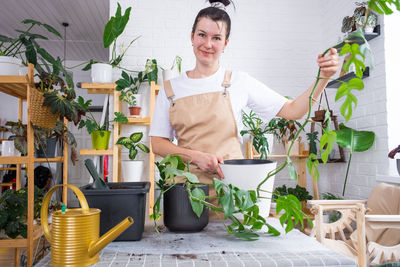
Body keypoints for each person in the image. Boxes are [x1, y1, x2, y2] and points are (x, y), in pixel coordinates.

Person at [149, 0, 339, 195]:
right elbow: (157, 143)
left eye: (216, 38)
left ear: (225, 43)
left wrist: (322, 78)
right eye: (202, 35)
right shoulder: (171, 88)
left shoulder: (239, 82)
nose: (207, 44)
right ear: (192, 36)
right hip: (186, 192)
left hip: (232, 192)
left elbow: (293, 111)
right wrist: (196, 157)